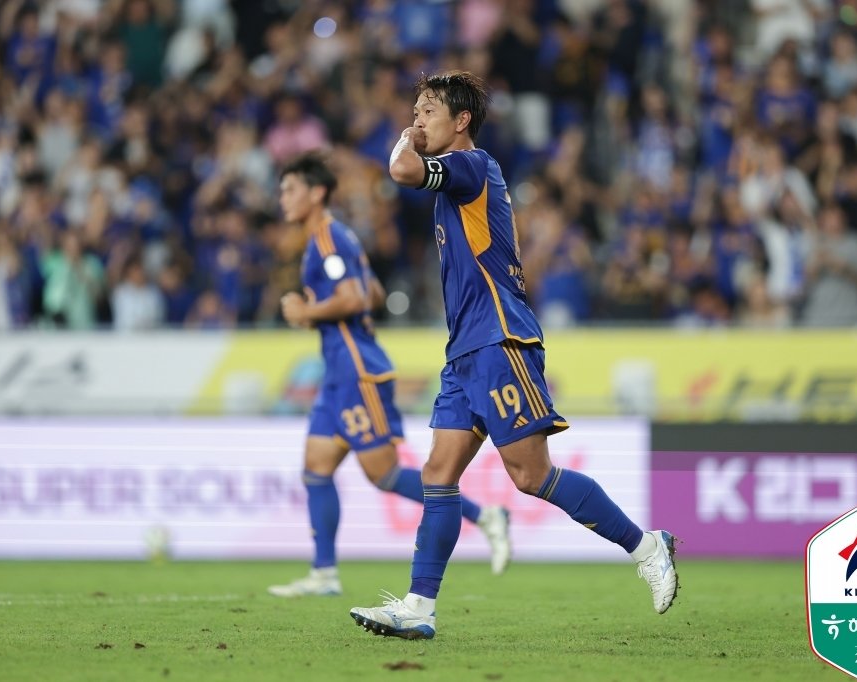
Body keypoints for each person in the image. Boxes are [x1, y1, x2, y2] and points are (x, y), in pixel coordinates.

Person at [350, 72, 678, 639]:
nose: (418, 117)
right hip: (465, 352)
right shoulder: (456, 177)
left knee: (530, 475)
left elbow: (401, 169)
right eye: (414, 108)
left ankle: (647, 545)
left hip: (502, 340)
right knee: (438, 473)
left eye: (429, 109)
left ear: (461, 122)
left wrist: (405, 136)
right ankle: (418, 608)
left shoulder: (473, 165)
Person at [268, 152, 511, 597]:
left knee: (382, 474)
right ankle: (324, 573)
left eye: (290, 189)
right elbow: (375, 290)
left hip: (358, 372)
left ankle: (485, 515)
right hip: (338, 374)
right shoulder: (335, 239)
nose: (282, 198)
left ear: (316, 192)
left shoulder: (326, 240)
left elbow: (357, 296)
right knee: (316, 468)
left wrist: (307, 311)